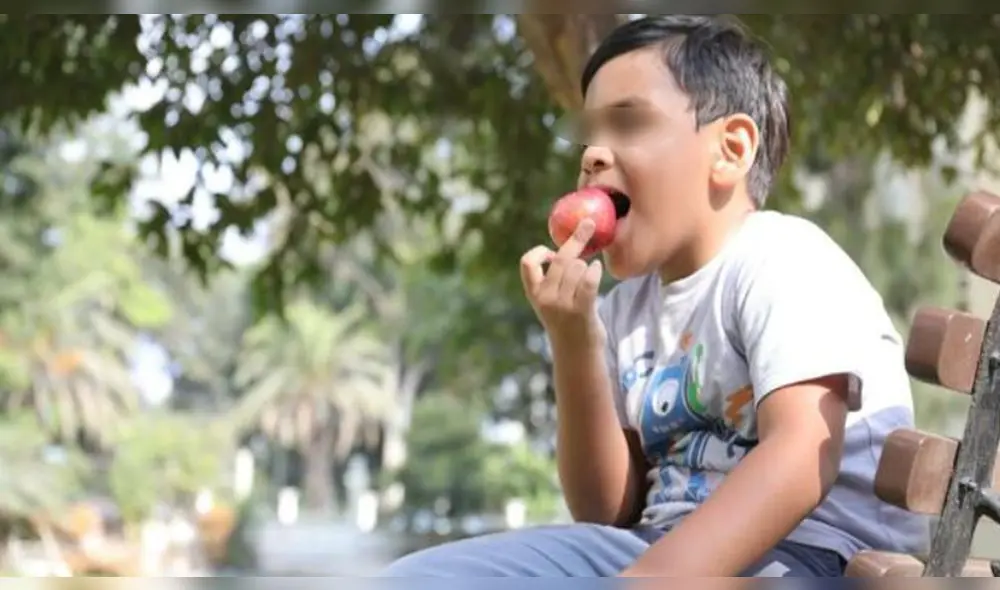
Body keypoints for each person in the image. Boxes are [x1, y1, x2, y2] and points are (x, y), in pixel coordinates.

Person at [380, 14, 928, 578]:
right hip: (659, 547)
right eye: (589, 136)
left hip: (813, 555)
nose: (592, 154)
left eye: (628, 124)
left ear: (730, 150)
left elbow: (801, 456)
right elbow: (605, 511)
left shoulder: (783, 257)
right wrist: (573, 339)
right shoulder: (624, 310)